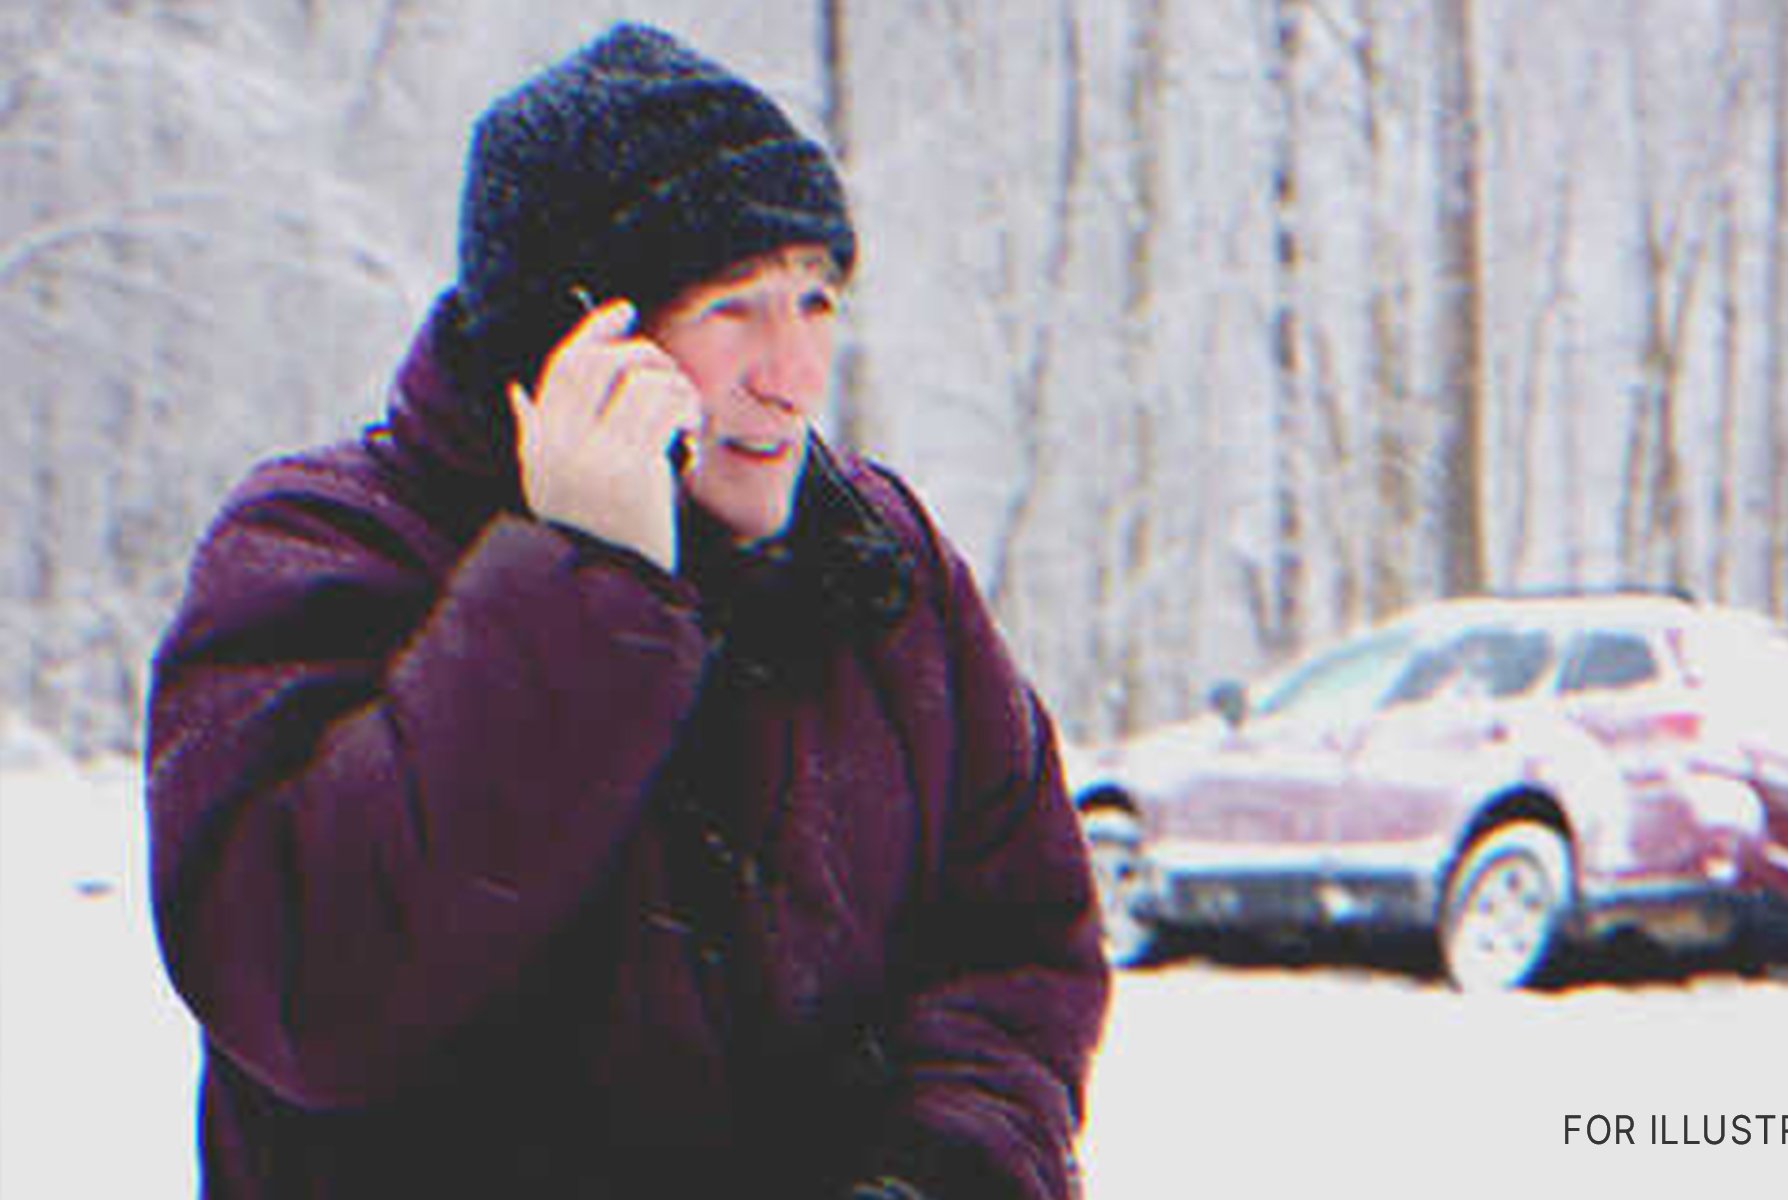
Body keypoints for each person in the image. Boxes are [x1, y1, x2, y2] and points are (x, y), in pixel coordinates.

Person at [144, 23, 1107, 1200]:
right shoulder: (323, 551)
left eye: (814, 301)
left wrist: (939, 1174)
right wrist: (582, 589)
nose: (793, 371)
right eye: (731, 309)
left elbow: (1015, 943)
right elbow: (309, 1000)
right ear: (575, 338)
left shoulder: (880, 568)